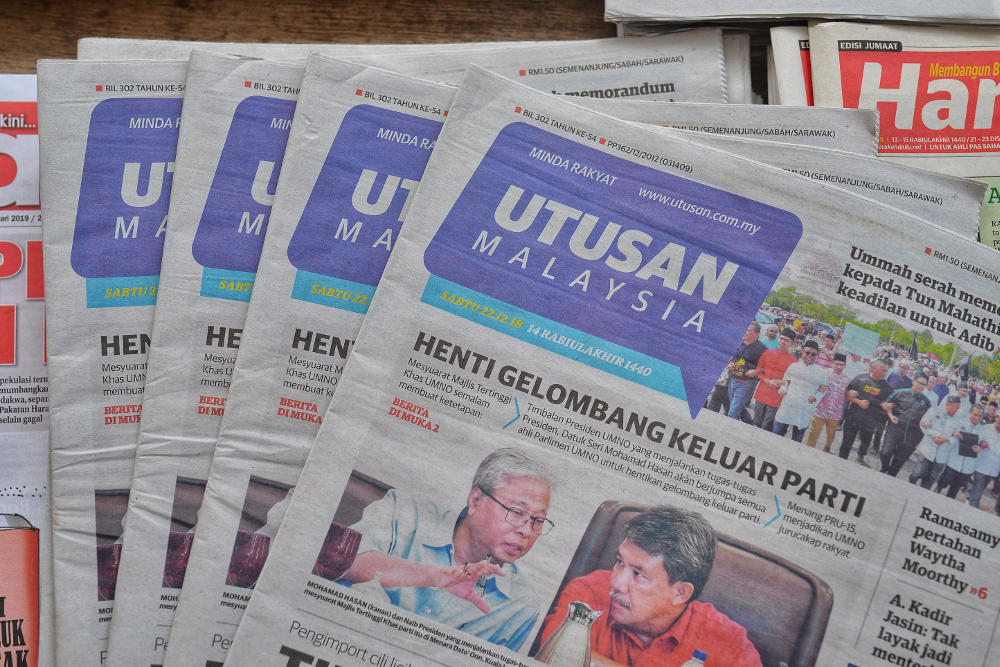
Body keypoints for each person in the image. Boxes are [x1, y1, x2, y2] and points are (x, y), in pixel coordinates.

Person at [342, 448, 553, 649]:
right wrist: (435, 576)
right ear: (475, 500)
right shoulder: (406, 512)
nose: (526, 531)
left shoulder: (521, 606)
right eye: (516, 512)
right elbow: (342, 558)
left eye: (538, 520)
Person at [539, 507, 762, 667]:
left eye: (638, 574)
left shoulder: (731, 644)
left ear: (680, 592)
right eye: (619, 562)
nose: (616, 582)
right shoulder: (588, 592)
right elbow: (554, 658)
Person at [772, 341, 829, 443]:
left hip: (804, 408)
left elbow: (823, 391)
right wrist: (782, 390)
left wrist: (815, 397)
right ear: (802, 352)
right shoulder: (793, 366)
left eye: (813, 354)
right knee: (777, 433)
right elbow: (785, 381)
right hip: (788, 405)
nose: (809, 356)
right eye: (807, 353)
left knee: (796, 440)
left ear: (817, 355)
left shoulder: (821, 373)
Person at [838, 360, 893, 463]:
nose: (884, 373)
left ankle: (860, 457)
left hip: (870, 421)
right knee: (846, 442)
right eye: (882, 370)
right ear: (873, 368)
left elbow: (890, 403)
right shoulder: (861, 378)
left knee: (865, 441)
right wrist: (857, 401)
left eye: (886, 371)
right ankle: (841, 460)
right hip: (854, 416)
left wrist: (887, 407)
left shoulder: (887, 387)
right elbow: (847, 393)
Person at [878, 374, 933, 477]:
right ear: (913, 381)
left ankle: (890, 476)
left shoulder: (926, 402)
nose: (921, 386)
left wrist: (929, 423)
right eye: (919, 383)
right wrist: (890, 416)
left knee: (900, 459)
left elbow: (930, 418)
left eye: (924, 385)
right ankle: (884, 467)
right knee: (885, 452)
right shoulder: (901, 393)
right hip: (895, 428)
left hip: (912, 434)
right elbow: (886, 404)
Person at [909, 396, 964, 489]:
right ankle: (909, 488)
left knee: (931, 479)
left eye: (958, 408)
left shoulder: (958, 420)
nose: (957, 410)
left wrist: (947, 439)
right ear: (948, 404)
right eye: (955, 407)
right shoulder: (934, 411)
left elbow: (956, 438)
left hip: (942, 454)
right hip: (927, 449)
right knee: (917, 473)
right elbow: (922, 424)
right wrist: (932, 435)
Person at [934, 405, 987, 499]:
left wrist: (980, 449)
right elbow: (951, 434)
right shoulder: (960, 422)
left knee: (954, 489)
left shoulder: (982, 430)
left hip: (967, 466)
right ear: (970, 412)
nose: (977, 418)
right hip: (954, 461)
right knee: (944, 482)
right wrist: (954, 434)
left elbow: (983, 445)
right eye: (975, 414)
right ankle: (936, 492)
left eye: (980, 416)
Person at [750, 328, 797, 432]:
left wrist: (783, 382)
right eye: (781, 339)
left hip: (776, 398)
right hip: (762, 393)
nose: (782, 342)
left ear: (792, 343)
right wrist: (767, 381)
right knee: (756, 421)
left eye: (786, 340)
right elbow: (758, 371)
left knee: (767, 425)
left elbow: (794, 381)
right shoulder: (768, 353)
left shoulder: (794, 362)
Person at [806, 353, 850, 452]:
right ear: (832, 363)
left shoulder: (847, 379)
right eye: (837, 364)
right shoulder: (823, 373)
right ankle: (806, 451)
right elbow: (813, 387)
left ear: (845, 366)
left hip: (835, 413)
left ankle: (827, 447)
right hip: (820, 410)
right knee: (813, 433)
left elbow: (847, 394)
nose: (839, 367)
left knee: (831, 434)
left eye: (842, 365)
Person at [725, 323, 769, 423]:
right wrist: (730, 364)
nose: (745, 331)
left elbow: (768, 367)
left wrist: (756, 371)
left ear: (756, 334)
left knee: (733, 412)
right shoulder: (739, 342)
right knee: (738, 408)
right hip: (732, 381)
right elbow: (731, 357)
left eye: (748, 330)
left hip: (745, 384)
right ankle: (749, 424)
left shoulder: (762, 349)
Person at [965, 417, 1000, 511]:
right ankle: (972, 508)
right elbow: (976, 439)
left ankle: (969, 497)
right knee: (978, 487)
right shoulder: (986, 428)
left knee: (980, 489)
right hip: (982, 465)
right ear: (996, 418)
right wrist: (980, 443)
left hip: (994, 469)